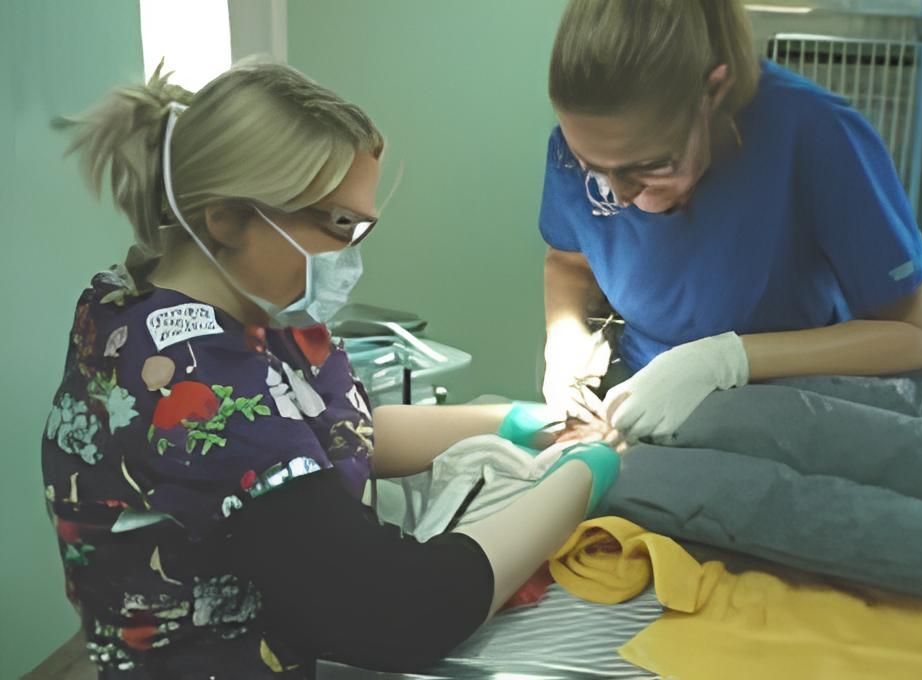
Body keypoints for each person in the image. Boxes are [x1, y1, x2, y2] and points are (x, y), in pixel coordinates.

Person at [42, 61, 620, 678]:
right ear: (225, 216)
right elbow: (406, 610)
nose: (350, 255)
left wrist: (517, 420)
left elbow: (334, 433)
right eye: (339, 224)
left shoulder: (237, 306)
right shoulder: (191, 381)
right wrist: (583, 475)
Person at [539, 0, 922, 442]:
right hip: (640, 401)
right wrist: (566, 339)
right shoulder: (582, 147)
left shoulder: (813, 133)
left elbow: (917, 334)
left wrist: (726, 360)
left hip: (789, 409)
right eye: (594, 170)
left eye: (651, 167)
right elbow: (570, 262)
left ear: (714, 93)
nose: (621, 196)